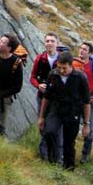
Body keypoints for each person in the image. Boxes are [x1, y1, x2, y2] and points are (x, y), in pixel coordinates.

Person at [38, 51, 90, 170]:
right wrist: (41, 117)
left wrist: (86, 124)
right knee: (49, 132)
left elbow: (86, 102)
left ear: (71, 65)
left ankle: (69, 168)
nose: (61, 71)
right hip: (56, 109)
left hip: (72, 111)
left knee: (69, 141)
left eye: (64, 68)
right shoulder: (53, 74)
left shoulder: (80, 78)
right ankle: (53, 162)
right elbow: (46, 97)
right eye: (59, 67)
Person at [30, 32, 61, 160]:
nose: (49, 43)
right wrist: (38, 85)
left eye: (52, 41)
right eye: (47, 41)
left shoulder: (62, 59)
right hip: (42, 96)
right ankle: (44, 154)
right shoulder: (40, 58)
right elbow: (32, 77)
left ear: (57, 44)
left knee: (56, 127)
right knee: (42, 123)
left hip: (57, 99)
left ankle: (56, 154)